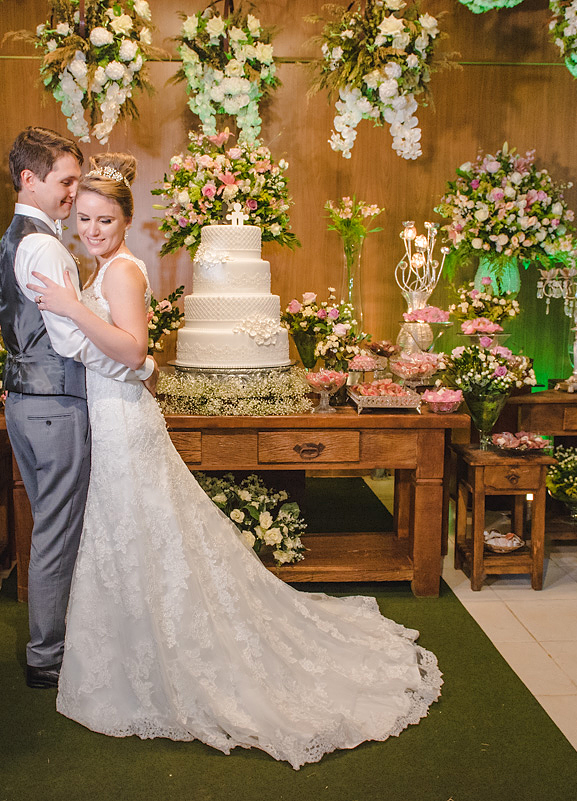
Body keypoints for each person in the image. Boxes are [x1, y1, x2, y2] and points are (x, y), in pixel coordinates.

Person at [28, 152, 442, 769]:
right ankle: (134, 646)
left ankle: (162, 654)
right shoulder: (103, 267)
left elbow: (134, 346)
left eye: (105, 220)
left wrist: (72, 309)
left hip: (121, 421)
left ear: (124, 221)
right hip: (111, 416)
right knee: (130, 536)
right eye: (84, 218)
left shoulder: (121, 273)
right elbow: (134, 360)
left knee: (140, 530)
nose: (92, 230)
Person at [0, 127, 155, 691]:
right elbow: (71, 343)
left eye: (99, 216)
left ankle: (81, 635)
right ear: (29, 180)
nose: (74, 202)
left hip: (35, 401)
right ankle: (47, 655)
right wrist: (140, 365)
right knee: (61, 532)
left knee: (74, 526)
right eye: (66, 185)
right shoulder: (46, 247)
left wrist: (133, 359)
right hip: (56, 407)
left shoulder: (21, 238)